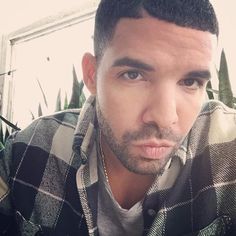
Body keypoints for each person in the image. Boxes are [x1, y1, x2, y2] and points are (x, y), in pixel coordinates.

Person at [0, 0, 235, 235]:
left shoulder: (228, 152)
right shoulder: (25, 153)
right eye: (133, 75)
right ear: (92, 75)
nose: (164, 118)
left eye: (190, 82)